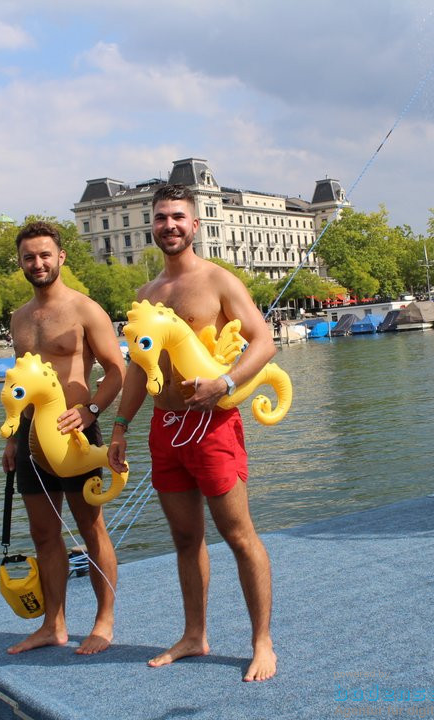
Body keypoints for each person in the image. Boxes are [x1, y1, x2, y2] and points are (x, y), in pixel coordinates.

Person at [108, 184, 278, 682]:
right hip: (165, 428)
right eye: (161, 218)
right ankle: (194, 634)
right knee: (185, 538)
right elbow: (140, 369)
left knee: (238, 535)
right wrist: (119, 426)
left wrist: (225, 382)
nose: (170, 226)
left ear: (195, 224)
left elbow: (264, 341)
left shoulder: (218, 281)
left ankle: (262, 641)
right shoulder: (147, 294)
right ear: (153, 227)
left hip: (213, 427)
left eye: (178, 217)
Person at [1, 220, 126, 656]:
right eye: (29, 257)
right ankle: (53, 625)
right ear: (20, 262)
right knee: (44, 534)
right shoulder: (18, 318)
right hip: (33, 440)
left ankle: (104, 620)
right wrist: (11, 439)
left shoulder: (85, 309)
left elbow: (117, 371)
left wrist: (91, 410)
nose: (37, 263)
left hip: (76, 435)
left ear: (61, 257)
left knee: (92, 531)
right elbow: (22, 385)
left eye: (44, 255)